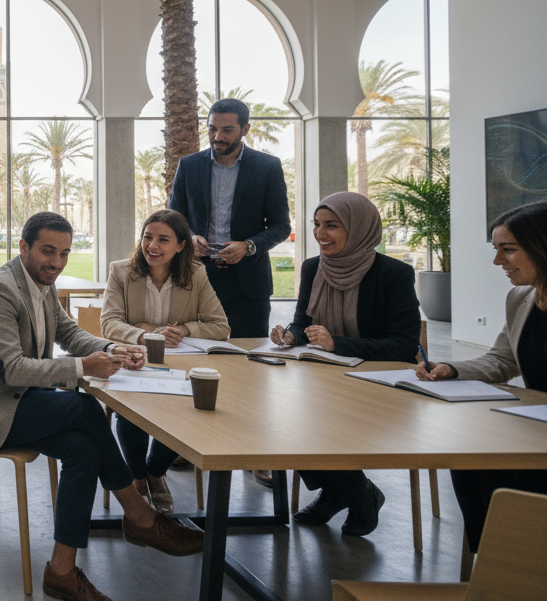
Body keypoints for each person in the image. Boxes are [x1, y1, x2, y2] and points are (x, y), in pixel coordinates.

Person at [0, 212, 204, 601]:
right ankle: (139, 516)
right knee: (84, 409)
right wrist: (83, 367)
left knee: (84, 451)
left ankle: (61, 570)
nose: (57, 262)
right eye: (48, 251)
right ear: (24, 247)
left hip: (18, 401)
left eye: (64, 253)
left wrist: (113, 348)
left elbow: (68, 332)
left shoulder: (41, 283)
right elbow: (13, 370)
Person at [270, 191, 421, 537]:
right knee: (283, 415)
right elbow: (302, 323)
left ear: (359, 228)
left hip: (381, 385)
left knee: (311, 419)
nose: (320, 234)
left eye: (332, 226)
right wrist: (291, 336)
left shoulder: (393, 273)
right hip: (326, 379)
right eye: (316, 224)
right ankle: (350, 490)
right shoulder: (313, 267)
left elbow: (404, 346)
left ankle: (345, 492)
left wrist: (338, 344)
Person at [167, 97, 290, 488]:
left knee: (250, 369)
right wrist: (190, 237)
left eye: (226, 130)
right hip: (197, 278)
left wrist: (248, 246)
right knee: (191, 363)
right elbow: (173, 215)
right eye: (212, 129)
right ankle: (187, 445)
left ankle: (255, 452)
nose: (217, 137)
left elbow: (281, 226)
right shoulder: (189, 165)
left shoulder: (267, 167)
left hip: (247, 282)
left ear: (245, 130)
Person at [414, 200, 547, 552]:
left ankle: (521, 561)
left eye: (508, 249)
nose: (497, 261)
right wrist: (452, 368)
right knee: (469, 456)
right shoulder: (521, 299)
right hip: (536, 429)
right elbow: (502, 359)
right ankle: (494, 560)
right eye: (496, 249)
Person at [100, 209, 229, 514]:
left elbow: (220, 326)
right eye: (147, 237)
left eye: (163, 239)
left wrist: (184, 329)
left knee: (188, 411)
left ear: (181, 245)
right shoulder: (121, 271)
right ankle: (138, 476)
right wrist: (142, 335)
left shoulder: (196, 274)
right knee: (131, 411)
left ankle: (155, 472)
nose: (152, 246)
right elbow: (109, 323)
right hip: (135, 362)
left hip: (180, 366)